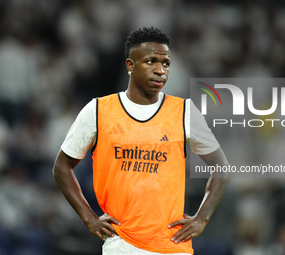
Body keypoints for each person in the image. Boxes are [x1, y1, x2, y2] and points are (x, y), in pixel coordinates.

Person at [53, 27, 229, 255]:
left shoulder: (184, 112)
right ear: (130, 65)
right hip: (121, 244)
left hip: (173, 245)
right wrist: (89, 218)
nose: (160, 70)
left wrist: (202, 218)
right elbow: (61, 167)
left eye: (166, 63)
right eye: (151, 61)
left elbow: (221, 167)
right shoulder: (98, 110)